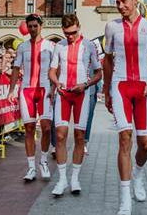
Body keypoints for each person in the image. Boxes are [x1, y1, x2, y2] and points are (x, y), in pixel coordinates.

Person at [102, 0, 147, 215]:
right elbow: (107, 60)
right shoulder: (111, 27)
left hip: (143, 88)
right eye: (117, 2)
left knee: (145, 144)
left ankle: (138, 173)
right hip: (120, 86)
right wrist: (107, 90)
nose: (120, 6)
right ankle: (125, 199)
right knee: (125, 139)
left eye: (124, 2)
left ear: (135, 0)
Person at [48, 14, 102, 196]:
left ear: (79, 27)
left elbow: (98, 73)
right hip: (63, 94)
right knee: (61, 136)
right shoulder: (59, 46)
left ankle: (75, 178)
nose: (70, 36)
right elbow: (52, 71)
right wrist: (56, 83)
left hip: (82, 94)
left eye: (73, 32)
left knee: (80, 137)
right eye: (66, 33)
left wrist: (85, 84)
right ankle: (62, 179)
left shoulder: (89, 45)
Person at [8, 14, 56, 182]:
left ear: (41, 26)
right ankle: (31, 167)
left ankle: (43, 161)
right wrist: (12, 89)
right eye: (30, 26)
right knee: (28, 129)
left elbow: (55, 70)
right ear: (27, 28)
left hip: (44, 90)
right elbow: (15, 68)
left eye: (36, 26)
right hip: (27, 90)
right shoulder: (22, 47)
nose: (33, 29)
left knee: (47, 128)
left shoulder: (50, 46)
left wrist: (54, 87)